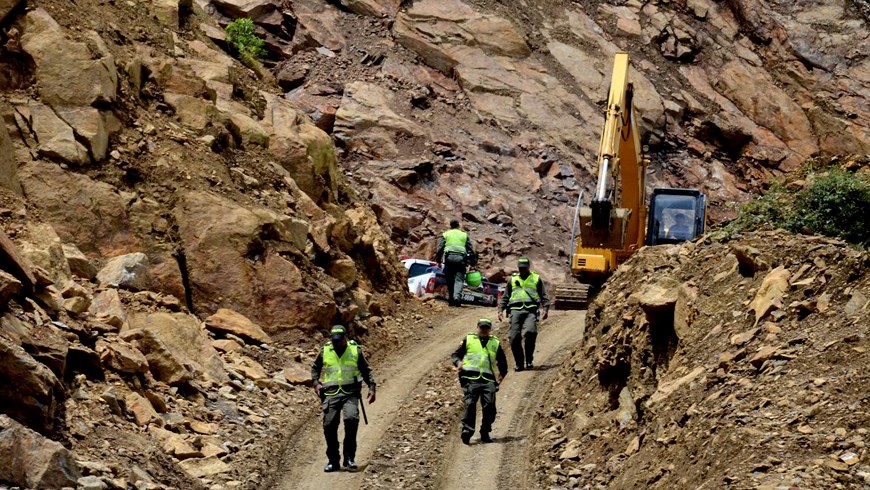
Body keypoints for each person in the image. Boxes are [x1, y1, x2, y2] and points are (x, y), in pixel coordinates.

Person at [311, 325, 376, 473]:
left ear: (345, 338)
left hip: (350, 393)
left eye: (339, 340)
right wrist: (316, 383)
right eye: (334, 340)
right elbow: (315, 368)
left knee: (351, 419)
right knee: (329, 425)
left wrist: (372, 387)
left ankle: (349, 459)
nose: (336, 343)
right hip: (331, 394)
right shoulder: (325, 350)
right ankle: (333, 461)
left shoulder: (355, 350)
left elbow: (366, 370)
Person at [451, 318, 508, 445]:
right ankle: (467, 430)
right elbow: (455, 355)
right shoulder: (468, 339)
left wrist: (501, 377)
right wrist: (458, 363)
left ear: (490, 329)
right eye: (482, 327)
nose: (484, 330)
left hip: (488, 380)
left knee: (489, 407)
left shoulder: (495, 343)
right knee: (470, 404)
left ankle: (485, 431)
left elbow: (503, 362)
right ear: (477, 327)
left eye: (486, 327)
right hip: (470, 379)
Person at [497, 257, 550, 371]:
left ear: (528, 267)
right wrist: (500, 310)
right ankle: (519, 363)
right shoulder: (513, 279)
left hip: (530, 311)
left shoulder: (535, 278)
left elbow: (543, 295)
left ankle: (529, 360)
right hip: (515, 311)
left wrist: (546, 309)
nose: (522, 270)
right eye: (520, 268)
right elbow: (506, 296)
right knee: (514, 336)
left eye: (524, 268)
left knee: (531, 332)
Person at [434, 218, 477, 307]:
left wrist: (438, 260)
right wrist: (472, 262)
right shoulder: (464, 235)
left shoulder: (446, 234)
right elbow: (470, 249)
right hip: (460, 259)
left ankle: (451, 300)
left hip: (449, 258)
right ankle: (457, 298)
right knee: (459, 280)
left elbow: (440, 248)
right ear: (458, 225)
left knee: (449, 279)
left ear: (450, 226)